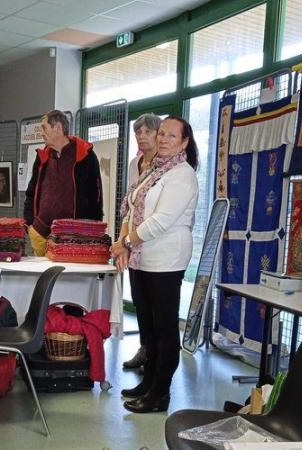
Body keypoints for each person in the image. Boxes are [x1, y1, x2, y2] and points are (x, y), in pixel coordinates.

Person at [110, 115, 199, 413]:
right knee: (147, 329)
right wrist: (124, 242)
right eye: (161, 133)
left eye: (171, 136)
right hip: (141, 258)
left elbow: (160, 222)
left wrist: (125, 243)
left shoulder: (182, 174)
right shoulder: (153, 169)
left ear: (184, 142)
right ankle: (148, 382)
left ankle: (160, 393)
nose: (163, 139)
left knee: (164, 329)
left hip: (166, 259)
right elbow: (131, 206)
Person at [24, 110, 103, 256]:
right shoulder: (42, 157)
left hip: (71, 237)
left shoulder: (86, 156)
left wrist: (92, 232)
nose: (41, 133)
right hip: (40, 233)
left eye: (44, 128)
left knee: (67, 279)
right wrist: (29, 224)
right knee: (41, 277)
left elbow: (95, 196)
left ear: (58, 128)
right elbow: (31, 191)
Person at [122, 113, 161, 371]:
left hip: (156, 245)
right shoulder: (135, 163)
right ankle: (145, 348)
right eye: (138, 132)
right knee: (139, 300)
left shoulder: (164, 165)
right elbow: (128, 204)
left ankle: (156, 355)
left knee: (157, 306)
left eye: (147, 131)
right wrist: (123, 240)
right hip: (133, 243)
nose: (142, 136)